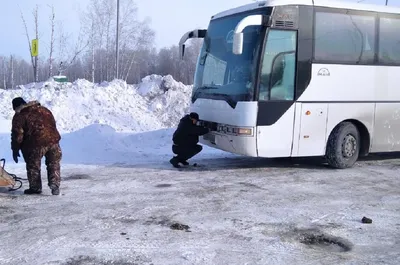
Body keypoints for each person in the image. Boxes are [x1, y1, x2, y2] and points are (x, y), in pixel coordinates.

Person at [11, 97, 62, 195]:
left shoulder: (20, 115)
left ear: (16, 107)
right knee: (53, 163)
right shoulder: (44, 110)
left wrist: (15, 149)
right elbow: (52, 124)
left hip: (36, 144)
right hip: (53, 141)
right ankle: (55, 184)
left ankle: (35, 188)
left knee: (33, 165)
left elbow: (17, 135)